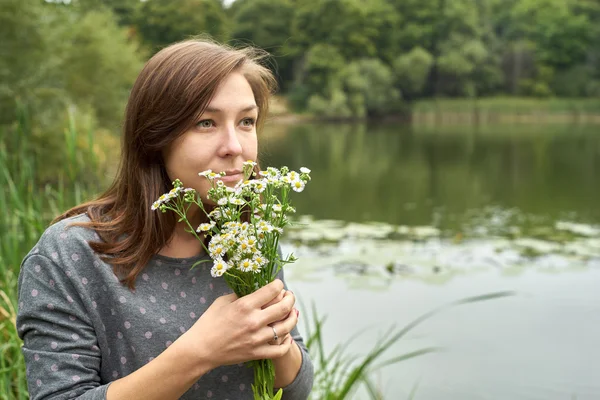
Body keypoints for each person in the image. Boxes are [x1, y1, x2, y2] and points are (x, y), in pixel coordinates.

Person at [16, 39, 314, 400]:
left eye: (246, 121)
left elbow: (297, 390)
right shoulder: (68, 256)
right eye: (206, 122)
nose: (235, 146)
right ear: (155, 135)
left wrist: (277, 336)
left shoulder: (247, 237)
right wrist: (200, 351)